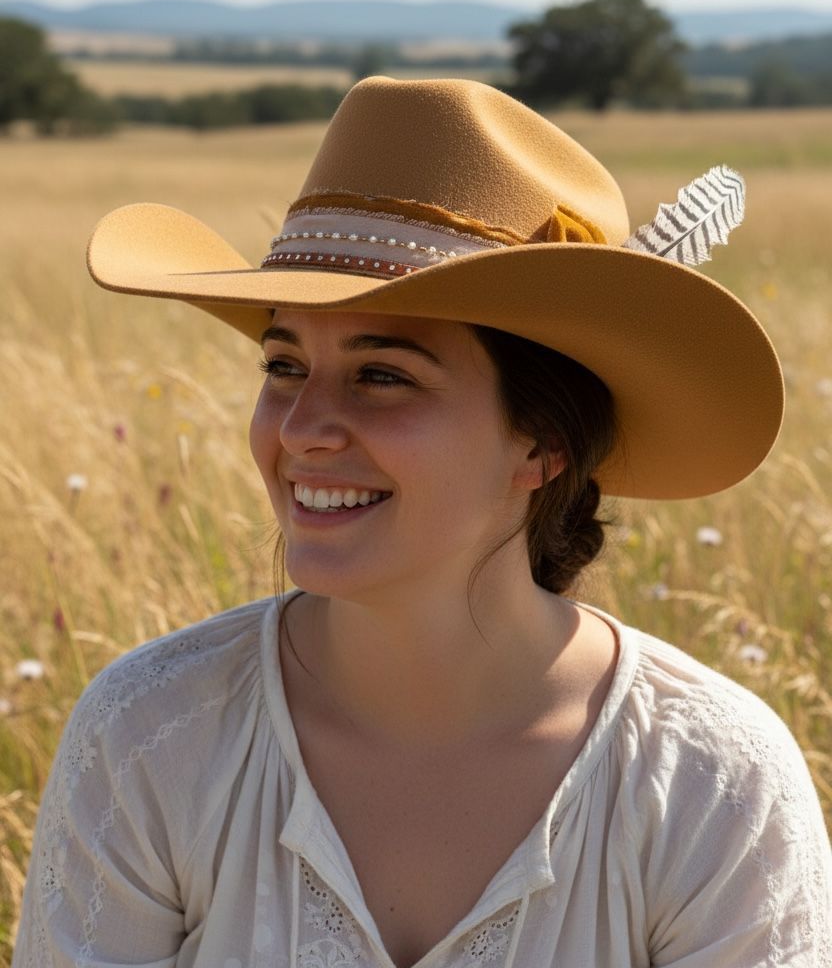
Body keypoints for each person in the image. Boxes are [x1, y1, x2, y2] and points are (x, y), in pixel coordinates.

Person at [13, 76, 831, 968]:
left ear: (544, 443)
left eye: (383, 375)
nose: (300, 431)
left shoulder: (710, 784)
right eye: (284, 365)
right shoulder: (152, 736)